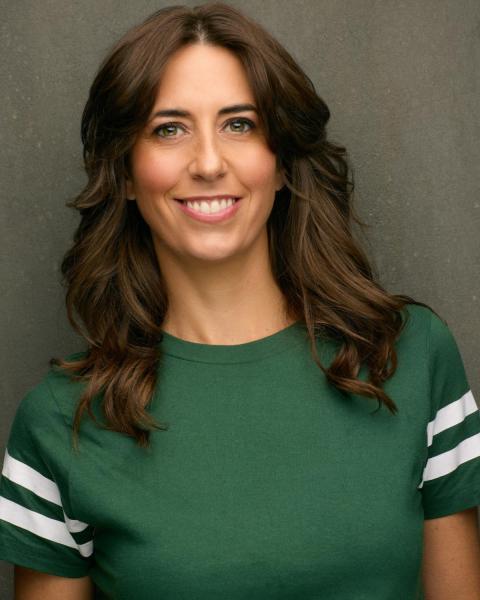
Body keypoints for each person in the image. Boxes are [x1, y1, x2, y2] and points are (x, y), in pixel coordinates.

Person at [1, 2, 480, 598]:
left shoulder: (409, 356)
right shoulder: (59, 423)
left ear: (280, 162)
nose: (208, 163)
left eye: (239, 124)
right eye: (169, 128)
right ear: (124, 173)